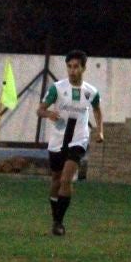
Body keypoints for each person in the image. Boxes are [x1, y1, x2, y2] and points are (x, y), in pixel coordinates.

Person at [37, 50, 104, 236]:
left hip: (78, 140)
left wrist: (100, 130)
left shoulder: (91, 92)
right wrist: (49, 113)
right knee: (56, 180)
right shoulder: (57, 89)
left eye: (76, 67)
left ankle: (59, 222)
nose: (72, 70)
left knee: (66, 179)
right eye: (69, 66)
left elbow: (97, 110)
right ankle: (55, 218)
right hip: (58, 140)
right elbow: (40, 110)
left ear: (83, 68)